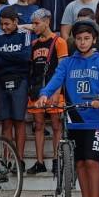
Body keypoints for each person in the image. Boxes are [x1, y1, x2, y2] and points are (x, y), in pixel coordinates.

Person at [36, 19, 99, 197]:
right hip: (74, 120)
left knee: (92, 161)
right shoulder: (67, 63)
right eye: (79, 38)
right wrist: (44, 94)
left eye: (86, 38)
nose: (82, 42)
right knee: (79, 162)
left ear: (94, 40)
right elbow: (55, 80)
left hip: (94, 120)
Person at [0, 6, 32, 163]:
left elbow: (26, 57)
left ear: (15, 22)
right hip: (1, 81)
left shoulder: (24, 34)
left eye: (7, 24)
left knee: (19, 120)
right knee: (6, 121)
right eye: (1, 24)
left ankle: (19, 160)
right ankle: (7, 160)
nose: (3, 27)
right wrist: (13, 57)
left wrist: (3, 54)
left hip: (20, 80)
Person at [26, 9, 68, 175]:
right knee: (38, 125)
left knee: (56, 125)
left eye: (37, 23)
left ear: (47, 22)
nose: (34, 26)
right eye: (33, 23)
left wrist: (57, 92)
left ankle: (57, 160)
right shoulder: (33, 44)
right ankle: (40, 162)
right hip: (37, 88)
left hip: (53, 88)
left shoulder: (59, 41)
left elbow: (62, 69)